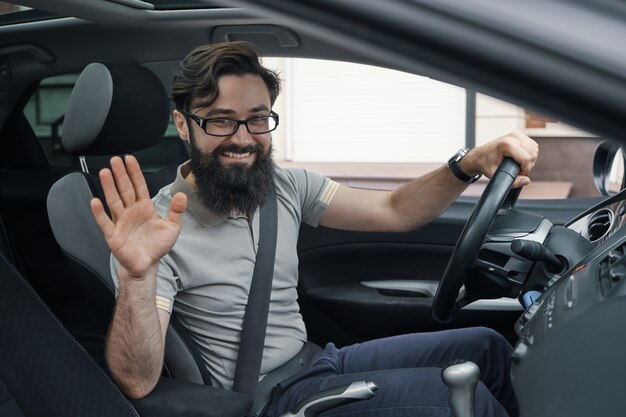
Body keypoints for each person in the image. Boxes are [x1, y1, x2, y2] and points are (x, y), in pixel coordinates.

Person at [90, 41, 538, 417]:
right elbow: (135, 380)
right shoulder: (153, 232)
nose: (243, 138)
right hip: (270, 399)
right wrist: (137, 275)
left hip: (317, 360)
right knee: (468, 400)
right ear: (183, 125)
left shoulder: (285, 184)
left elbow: (394, 209)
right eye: (220, 119)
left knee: (487, 347)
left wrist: (468, 165)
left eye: (258, 118)